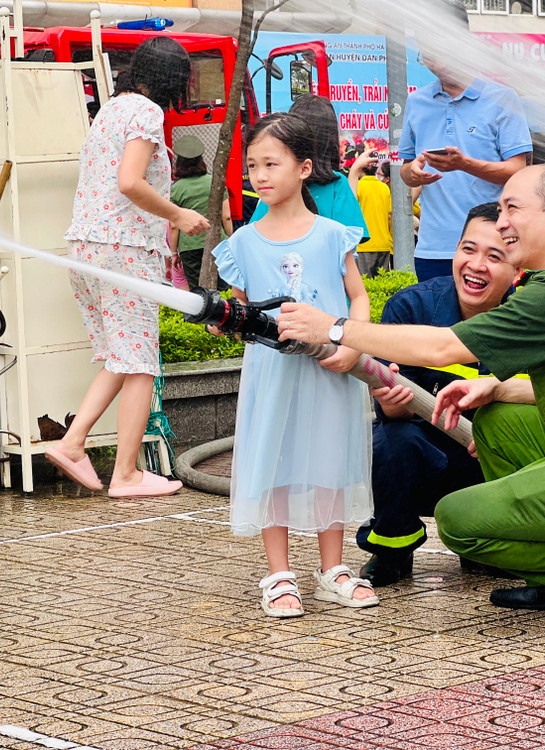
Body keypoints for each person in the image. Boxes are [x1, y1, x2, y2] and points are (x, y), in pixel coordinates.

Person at [277, 164, 545, 637]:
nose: (501, 223)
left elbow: (443, 348)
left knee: (458, 521)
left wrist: (334, 328)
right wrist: (497, 387)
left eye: (512, 209)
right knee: (498, 418)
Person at [212, 112, 377, 618]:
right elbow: (242, 312)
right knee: (274, 461)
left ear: (304, 168)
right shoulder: (242, 243)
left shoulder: (332, 235)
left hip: (331, 370)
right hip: (273, 375)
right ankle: (279, 574)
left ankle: (333, 569)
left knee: (331, 460)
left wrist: (353, 346)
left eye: (272, 164)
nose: (260, 176)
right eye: (252, 166)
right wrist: (226, 322)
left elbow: (358, 297)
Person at [48, 37, 209, 497]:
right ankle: (126, 474)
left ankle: (73, 444)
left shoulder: (110, 109)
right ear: (173, 79)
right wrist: (177, 215)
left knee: (123, 358)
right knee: (140, 364)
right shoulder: (147, 113)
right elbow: (130, 182)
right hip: (125, 250)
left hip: (86, 247)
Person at [358, 202, 521, 587]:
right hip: (429, 456)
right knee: (391, 439)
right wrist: (392, 404)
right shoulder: (411, 308)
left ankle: (483, 543)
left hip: (497, 460)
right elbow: (394, 415)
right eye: (468, 249)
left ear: (518, 270)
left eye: (494, 256)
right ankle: (393, 548)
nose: (476, 265)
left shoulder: (531, 319)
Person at [399, 0, 532, 283]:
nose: (437, 64)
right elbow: (406, 170)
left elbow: (518, 171)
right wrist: (413, 173)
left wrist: (464, 164)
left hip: (491, 246)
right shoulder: (417, 102)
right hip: (433, 249)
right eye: (428, 56)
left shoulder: (502, 99)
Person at [249, 94, 369, 243]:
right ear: (330, 139)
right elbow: (350, 242)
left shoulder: (279, 186)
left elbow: (253, 238)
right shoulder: (337, 185)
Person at [168, 135, 233, 289]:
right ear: (201, 160)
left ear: (179, 164)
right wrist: (231, 241)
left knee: (199, 292)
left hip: (189, 247)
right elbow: (227, 217)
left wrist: (174, 253)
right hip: (218, 242)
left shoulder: (175, 189)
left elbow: (173, 226)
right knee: (224, 288)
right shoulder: (215, 182)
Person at [348, 153, 393, 277]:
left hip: (363, 244)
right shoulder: (384, 188)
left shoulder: (357, 186)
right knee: (382, 284)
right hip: (383, 244)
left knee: (365, 284)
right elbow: (389, 217)